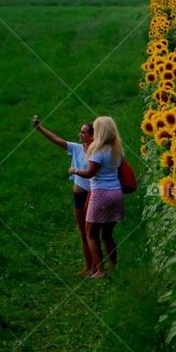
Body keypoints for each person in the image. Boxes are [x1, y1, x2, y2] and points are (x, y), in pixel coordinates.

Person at [32, 114, 96, 275]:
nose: (80, 134)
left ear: (92, 135)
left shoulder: (96, 152)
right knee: (83, 233)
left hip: (91, 196)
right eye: (80, 132)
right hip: (78, 197)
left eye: (83, 132)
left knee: (92, 233)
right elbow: (56, 139)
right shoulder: (76, 148)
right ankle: (89, 266)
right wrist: (39, 128)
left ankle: (97, 266)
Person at [70, 115, 123, 279]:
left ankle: (99, 271)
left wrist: (75, 170)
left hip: (100, 194)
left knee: (91, 234)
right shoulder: (117, 150)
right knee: (107, 234)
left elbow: (90, 173)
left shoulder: (98, 151)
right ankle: (114, 267)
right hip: (116, 194)